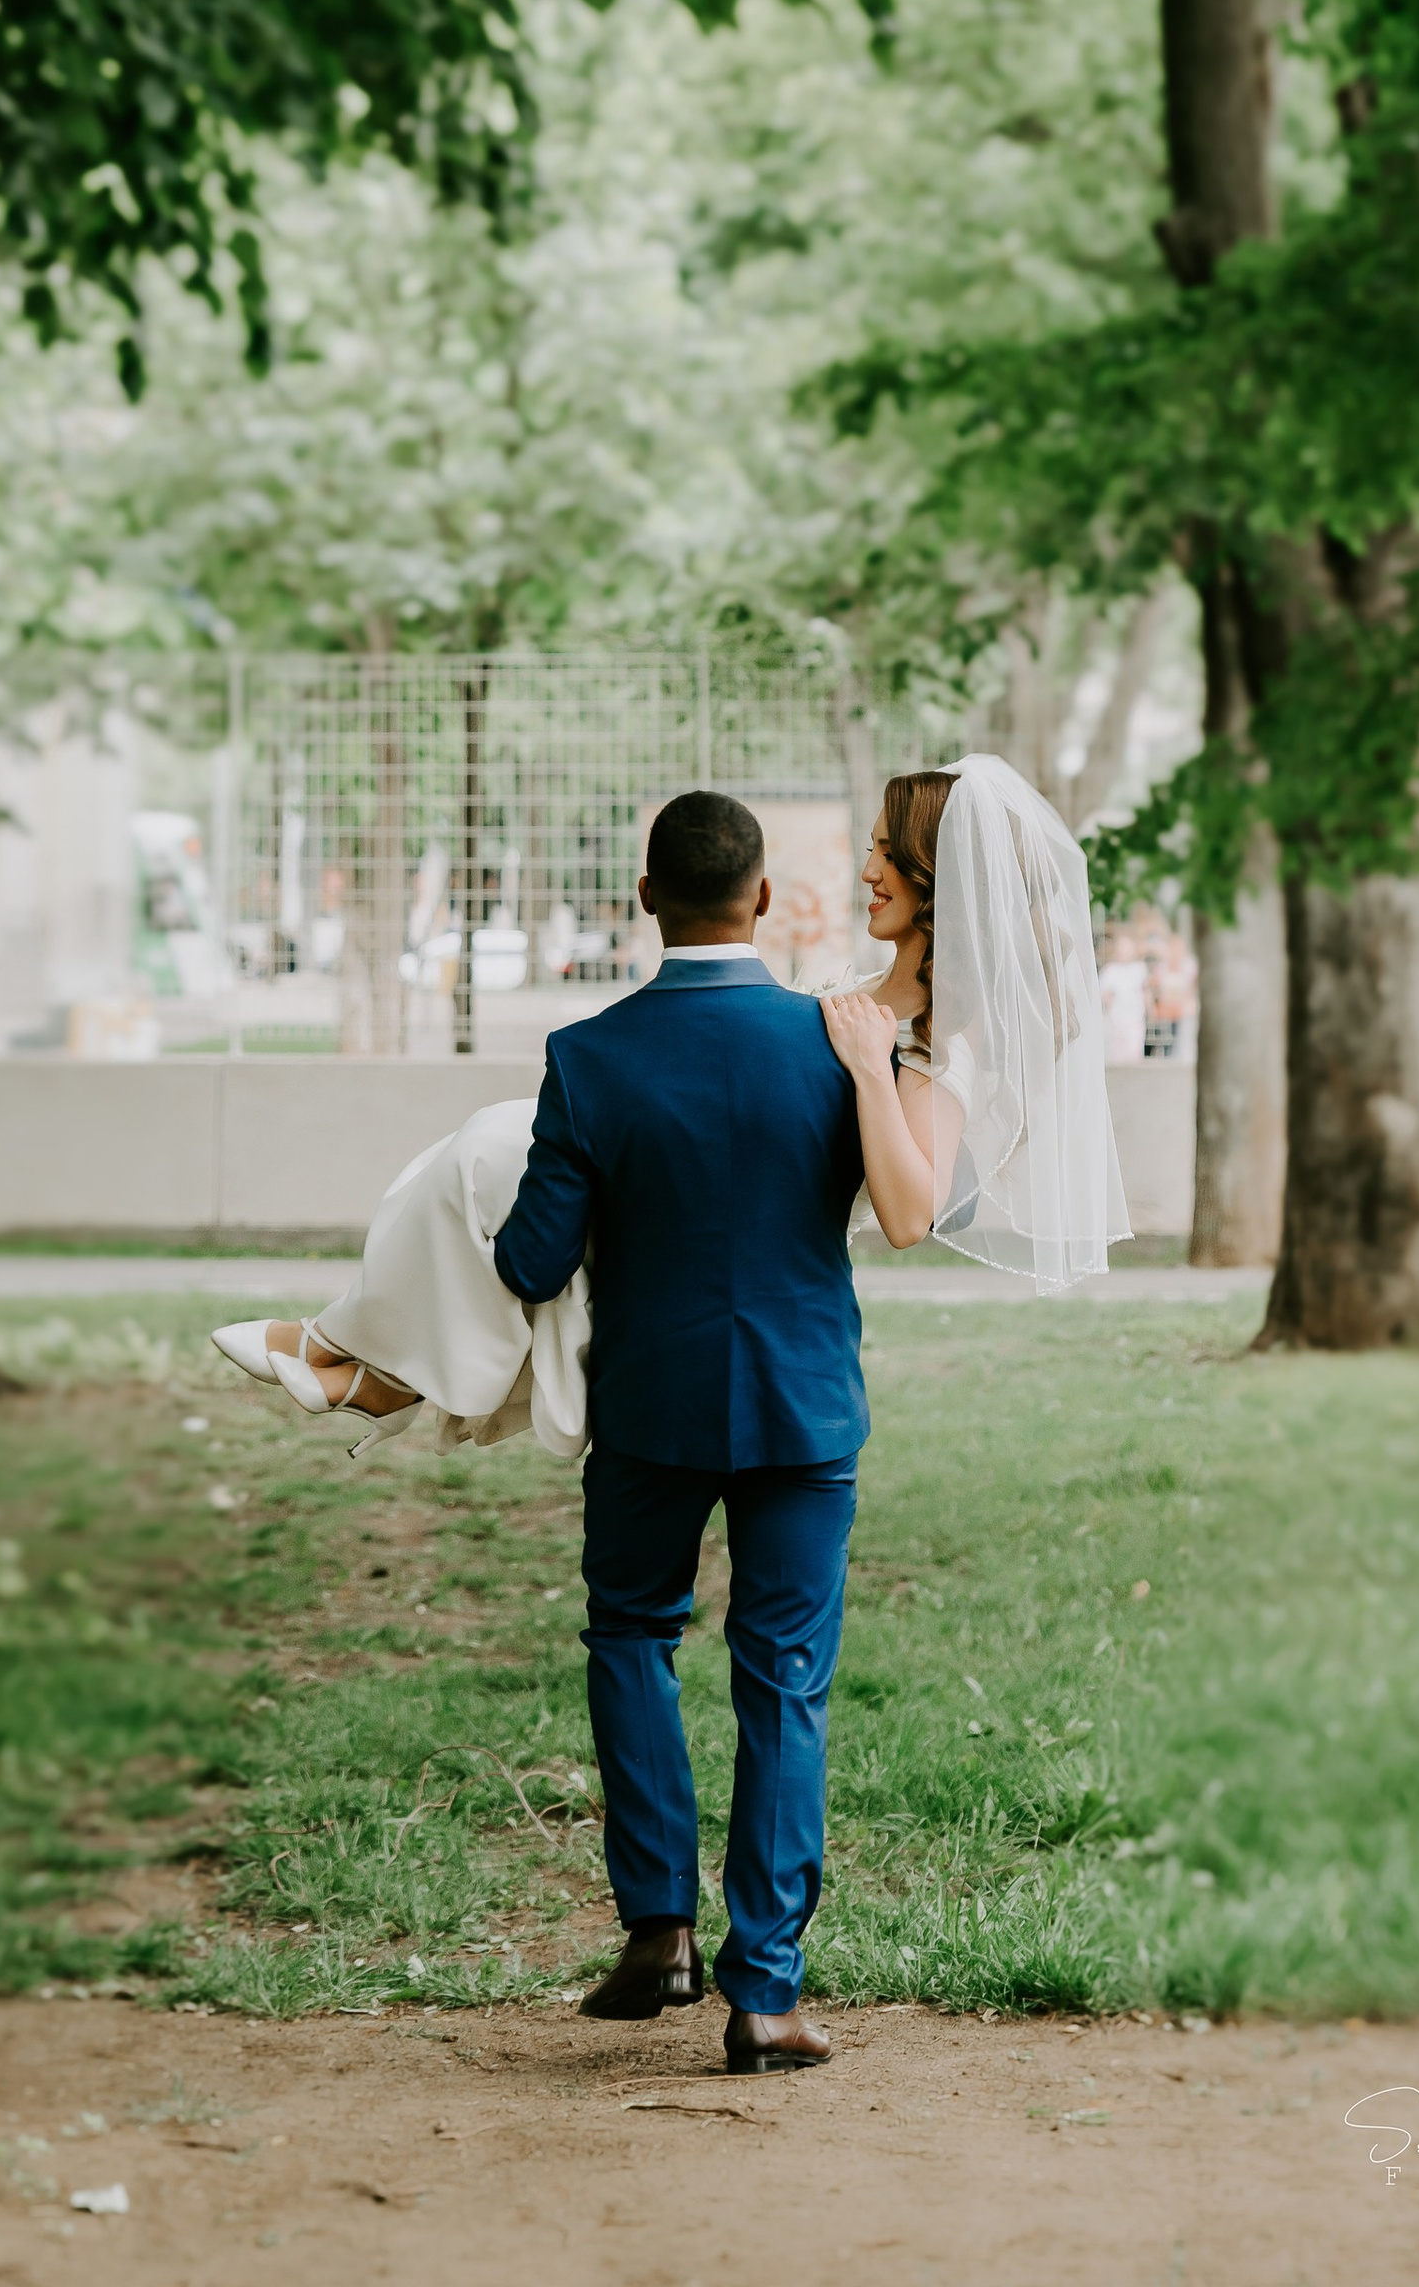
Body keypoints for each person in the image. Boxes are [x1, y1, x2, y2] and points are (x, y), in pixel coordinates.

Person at [210, 758, 1129, 2060]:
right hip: (804, 1404)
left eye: (882, 851)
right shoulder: (830, 1034)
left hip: (650, 1400)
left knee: (631, 1633)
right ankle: (766, 1992)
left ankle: (658, 1927)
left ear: (648, 897)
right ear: (760, 895)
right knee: (785, 1681)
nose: (862, 868)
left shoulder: (603, 1055)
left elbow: (537, 1264)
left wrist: (560, 1217)